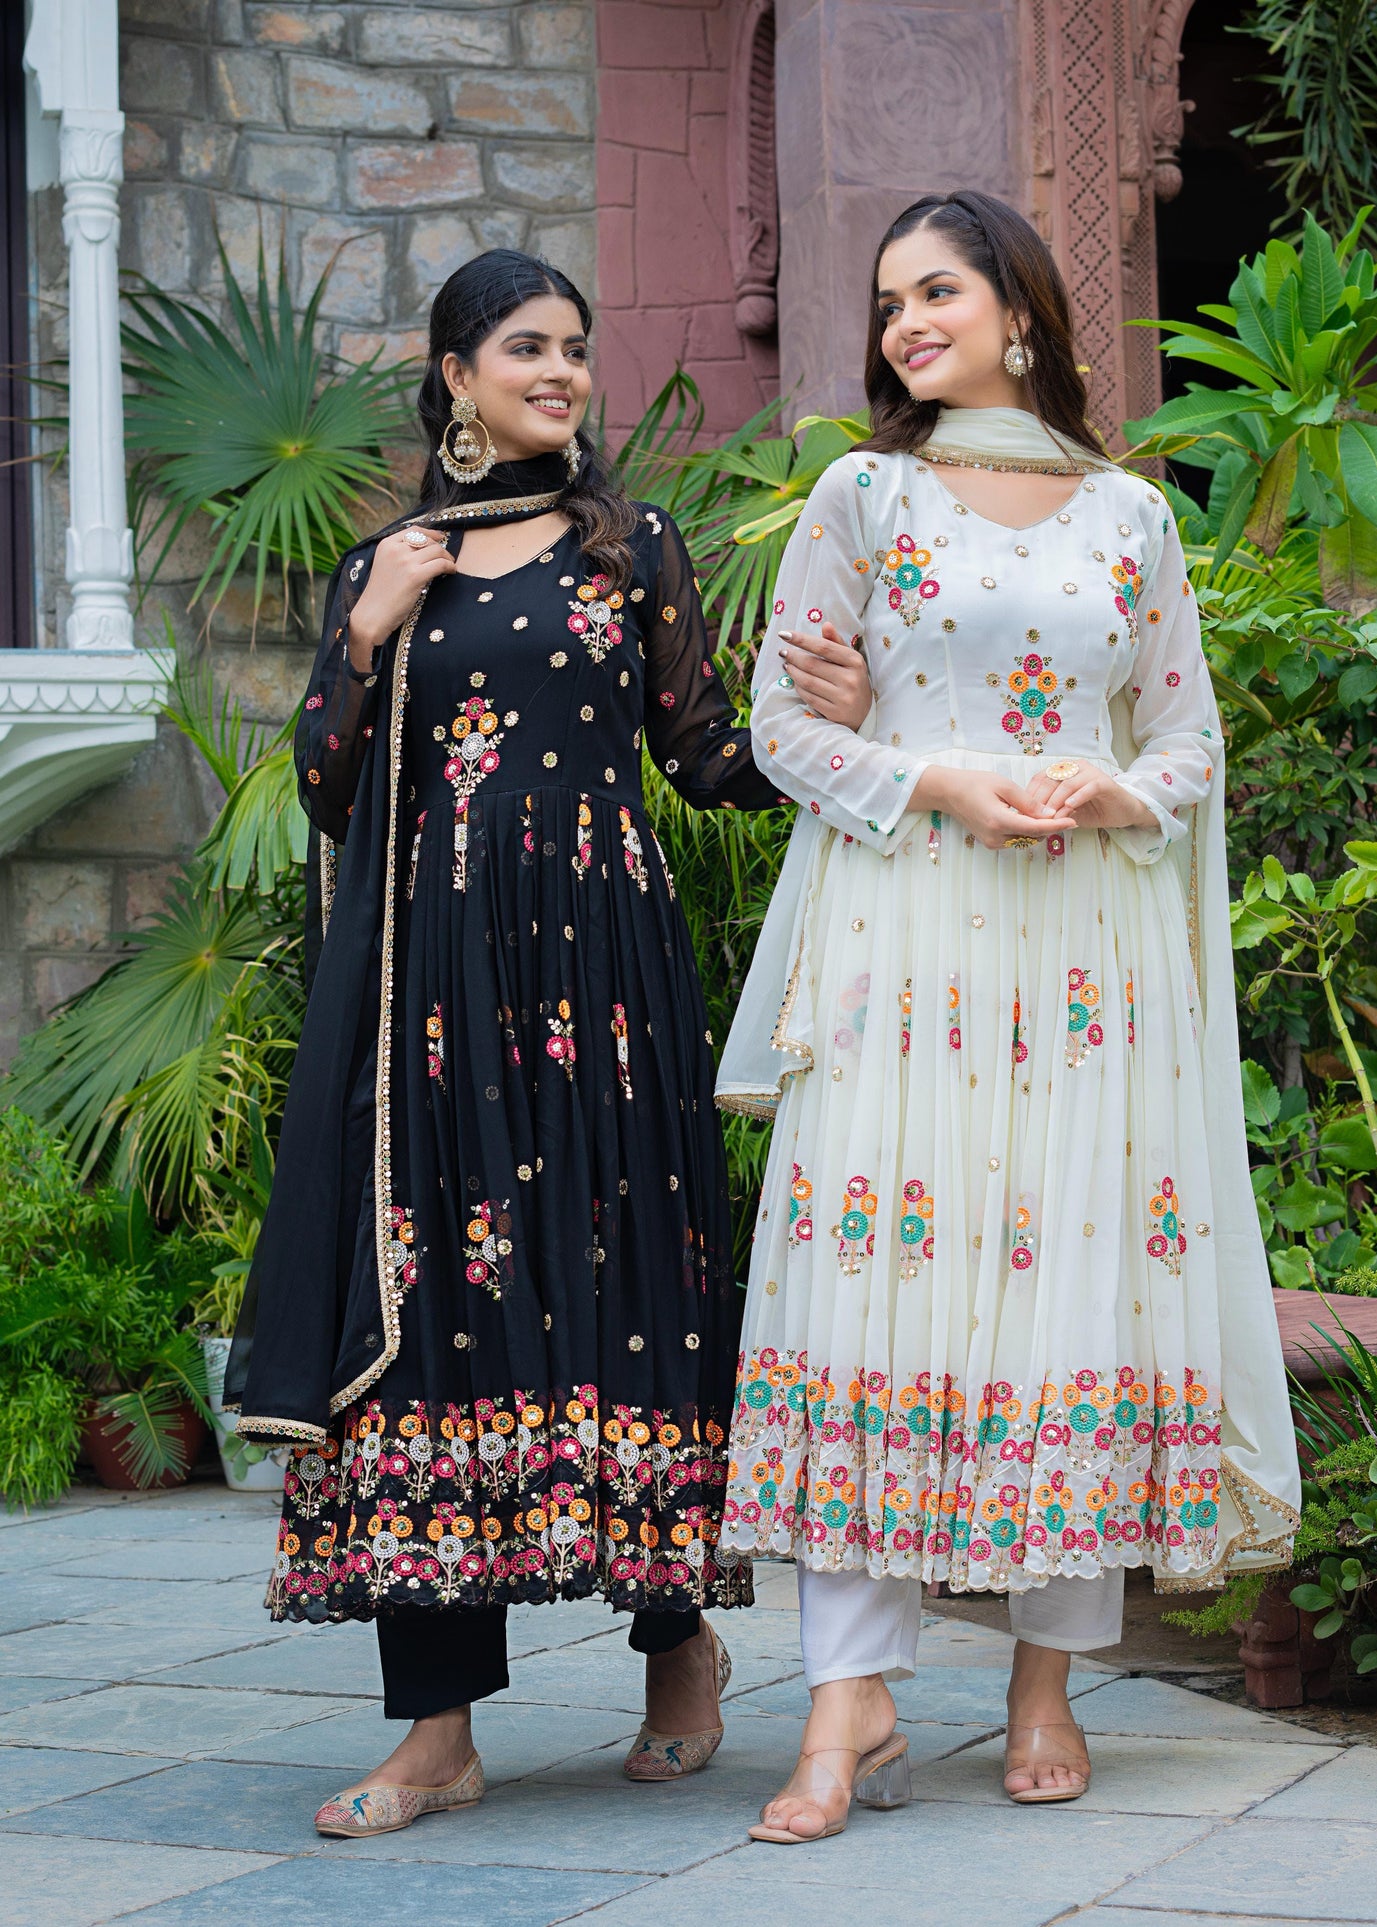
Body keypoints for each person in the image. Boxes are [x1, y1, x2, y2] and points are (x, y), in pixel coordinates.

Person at [222, 249, 872, 1838]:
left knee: (623, 1288)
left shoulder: (627, 546)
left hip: (604, 973)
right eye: (526, 346)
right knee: (434, 1309)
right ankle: (437, 1728)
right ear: (454, 374)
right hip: (437, 986)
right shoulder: (388, 564)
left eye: (575, 346)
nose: (562, 371)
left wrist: (841, 730)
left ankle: (675, 1644)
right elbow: (326, 789)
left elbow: (704, 753)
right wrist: (365, 636)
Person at [715, 190, 1300, 1843]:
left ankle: (1046, 1686)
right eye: (888, 302)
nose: (904, 323)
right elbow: (780, 728)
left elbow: (1186, 739)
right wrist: (939, 778)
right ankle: (843, 1700)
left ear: (1020, 312)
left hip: (1084, 951)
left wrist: (1116, 790)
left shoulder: (1131, 515)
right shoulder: (862, 493)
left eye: (937, 293)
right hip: (904, 933)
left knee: (1072, 1284)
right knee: (872, 1288)